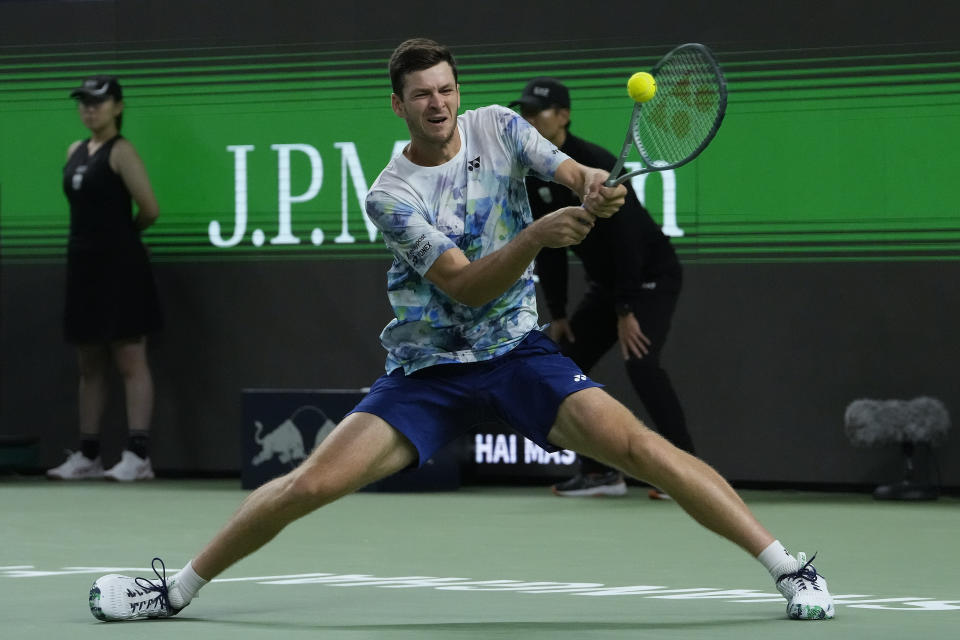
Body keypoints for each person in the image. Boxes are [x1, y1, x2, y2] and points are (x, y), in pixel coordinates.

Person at [87, 39, 834, 622]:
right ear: (399, 106)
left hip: (518, 356)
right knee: (310, 481)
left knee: (645, 448)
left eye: (446, 89)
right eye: (422, 95)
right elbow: (465, 283)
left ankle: (788, 567)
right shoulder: (391, 195)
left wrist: (589, 187)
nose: (438, 103)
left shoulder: (500, 128)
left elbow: (566, 170)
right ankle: (175, 590)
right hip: (426, 374)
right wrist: (541, 236)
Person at [509, 78, 693, 500]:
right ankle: (599, 474)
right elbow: (550, 248)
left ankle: (686, 471)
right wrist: (558, 312)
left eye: (538, 112)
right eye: (525, 113)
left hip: (649, 277)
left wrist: (627, 308)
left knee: (642, 363)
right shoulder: (534, 172)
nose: (529, 120)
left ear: (564, 116)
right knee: (564, 365)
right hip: (609, 286)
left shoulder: (594, 163)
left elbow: (626, 243)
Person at [46, 76, 162, 482]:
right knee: (89, 361)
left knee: (130, 357)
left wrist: (125, 241)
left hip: (121, 268)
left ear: (118, 106)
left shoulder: (122, 153)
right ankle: (89, 453)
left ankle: (138, 455)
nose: (89, 108)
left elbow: (149, 208)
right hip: (83, 267)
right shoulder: (75, 150)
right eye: (83, 102)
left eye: (98, 101)